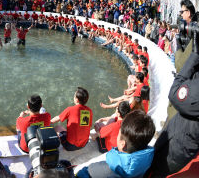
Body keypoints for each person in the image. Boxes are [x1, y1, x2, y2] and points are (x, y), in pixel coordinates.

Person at [147, 29, 199, 176]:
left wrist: (194, 55)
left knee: (157, 170)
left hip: (178, 146)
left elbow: (175, 93)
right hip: (182, 135)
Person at [77, 110, 156, 178]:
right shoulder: (148, 158)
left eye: (119, 133)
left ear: (122, 144)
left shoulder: (109, 168)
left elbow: (83, 173)